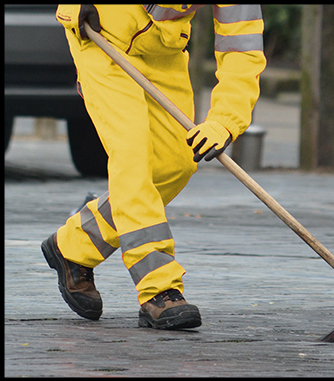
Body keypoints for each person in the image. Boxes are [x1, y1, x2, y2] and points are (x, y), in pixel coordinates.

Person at [44, 5, 266, 330]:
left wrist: (224, 121)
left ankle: (74, 244)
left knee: (176, 163)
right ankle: (160, 290)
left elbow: (242, 49)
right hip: (102, 35)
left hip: (162, 51)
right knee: (131, 158)